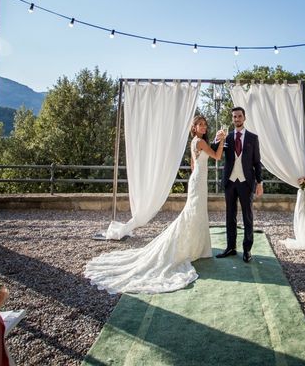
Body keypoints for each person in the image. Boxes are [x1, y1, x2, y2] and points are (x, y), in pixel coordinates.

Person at [85, 115, 226, 294]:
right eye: (200, 125)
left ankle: (194, 246)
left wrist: (202, 165)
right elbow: (217, 156)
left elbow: (193, 163)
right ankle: (191, 246)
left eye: (205, 125)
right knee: (193, 214)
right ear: (194, 127)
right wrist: (222, 140)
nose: (204, 127)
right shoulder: (200, 142)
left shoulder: (195, 142)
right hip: (198, 182)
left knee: (194, 213)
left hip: (197, 179)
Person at [215, 107, 263, 263]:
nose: (237, 119)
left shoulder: (252, 138)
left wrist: (259, 182)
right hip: (230, 182)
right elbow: (214, 152)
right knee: (230, 216)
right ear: (232, 119)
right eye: (234, 116)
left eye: (239, 116)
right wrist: (217, 139)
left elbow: (257, 162)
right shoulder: (226, 137)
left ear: (244, 117)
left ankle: (247, 249)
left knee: (247, 217)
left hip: (246, 182)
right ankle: (231, 247)